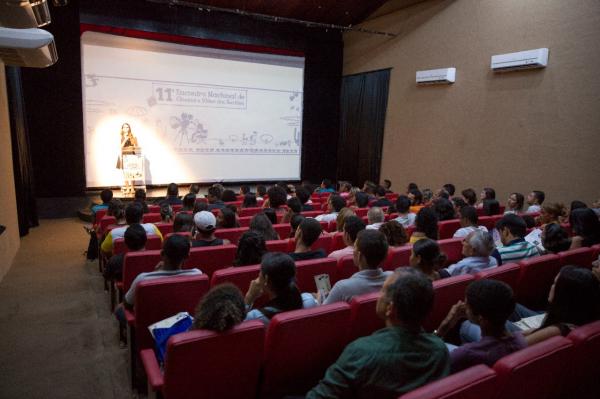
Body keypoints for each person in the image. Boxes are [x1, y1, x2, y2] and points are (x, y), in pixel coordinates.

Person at [306, 268, 450, 399]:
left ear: (390, 308)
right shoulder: (440, 350)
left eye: (382, 290)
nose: (378, 294)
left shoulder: (361, 352)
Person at [435, 280, 526, 373]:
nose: (463, 306)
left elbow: (432, 363)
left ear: (481, 318)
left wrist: (442, 329)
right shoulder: (520, 339)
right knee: (466, 326)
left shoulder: (464, 353)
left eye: (467, 304)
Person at [524, 266, 600, 346]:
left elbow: (514, 346)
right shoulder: (583, 316)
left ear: (564, 295)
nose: (551, 287)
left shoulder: (555, 330)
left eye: (555, 284)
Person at [123, 235, 202, 307]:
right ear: (187, 256)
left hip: (152, 321)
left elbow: (127, 303)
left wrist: (154, 273)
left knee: (119, 310)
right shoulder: (197, 274)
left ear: (162, 253)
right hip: (182, 320)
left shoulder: (142, 279)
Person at [244, 252, 318, 324]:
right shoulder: (309, 300)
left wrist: (249, 298)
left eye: (260, 271)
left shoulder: (255, 317)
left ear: (266, 279)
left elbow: (239, 330)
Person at [324, 229, 392, 304]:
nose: (353, 251)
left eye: (354, 248)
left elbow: (324, 311)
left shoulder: (342, 288)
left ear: (359, 256)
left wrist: (319, 298)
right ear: (385, 255)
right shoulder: (394, 278)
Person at [116, 123, 139, 195]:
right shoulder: (121, 137)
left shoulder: (133, 136)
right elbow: (120, 147)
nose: (126, 128)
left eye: (127, 127)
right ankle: (127, 187)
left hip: (131, 155)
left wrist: (134, 141)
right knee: (125, 173)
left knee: (132, 173)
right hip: (124, 156)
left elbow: (136, 146)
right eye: (124, 127)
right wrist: (125, 140)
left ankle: (132, 187)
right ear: (122, 129)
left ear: (129, 128)